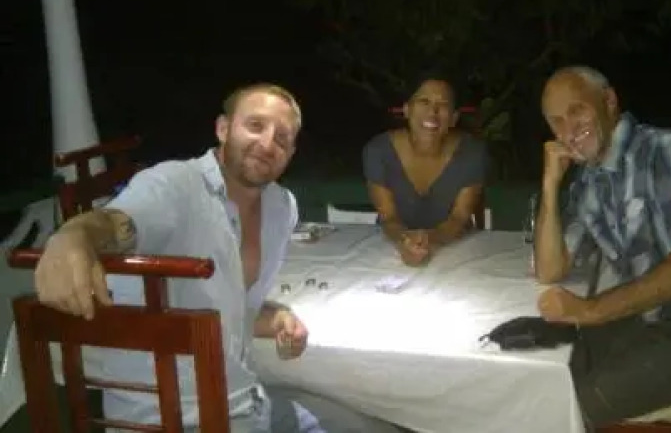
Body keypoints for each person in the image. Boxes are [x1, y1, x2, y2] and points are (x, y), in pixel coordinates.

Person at [33, 83, 402, 433]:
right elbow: (117, 222)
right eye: (255, 126)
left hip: (243, 399)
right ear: (223, 129)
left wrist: (276, 316)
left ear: (290, 153)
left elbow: (227, 305)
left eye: (282, 138)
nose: (267, 143)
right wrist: (75, 236)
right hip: (173, 420)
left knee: (362, 423)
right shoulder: (176, 185)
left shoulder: (281, 207)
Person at [532, 66, 671, 426]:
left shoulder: (663, 151)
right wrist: (549, 184)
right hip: (651, 322)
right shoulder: (589, 180)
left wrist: (590, 310)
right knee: (551, 377)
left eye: (577, 111)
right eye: (556, 122)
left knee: (569, 407)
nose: (569, 130)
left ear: (609, 101)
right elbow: (550, 269)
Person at [362, 75, 489, 266]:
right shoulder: (378, 151)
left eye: (443, 105)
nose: (432, 111)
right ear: (407, 110)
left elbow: (459, 218)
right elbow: (388, 217)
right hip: (392, 248)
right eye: (424, 101)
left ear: (453, 118)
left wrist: (429, 240)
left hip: (456, 250)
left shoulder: (472, 152)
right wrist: (405, 241)